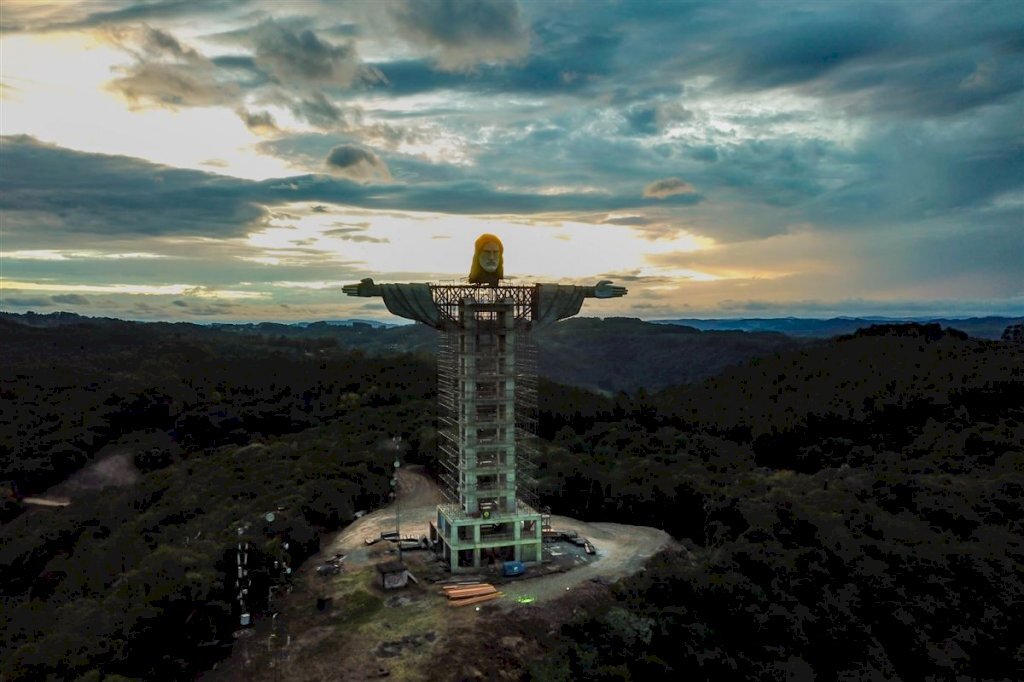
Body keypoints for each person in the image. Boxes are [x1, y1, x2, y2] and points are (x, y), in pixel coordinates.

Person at [342, 234, 626, 328]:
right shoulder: (451, 291)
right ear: (476, 256)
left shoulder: (527, 293)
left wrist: (591, 292)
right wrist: (375, 290)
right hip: (467, 341)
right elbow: (417, 292)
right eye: (485, 253)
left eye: (495, 253)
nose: (491, 258)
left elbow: (555, 293)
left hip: (505, 342)